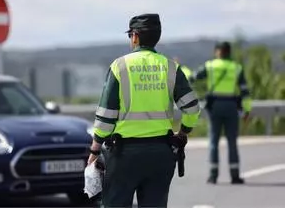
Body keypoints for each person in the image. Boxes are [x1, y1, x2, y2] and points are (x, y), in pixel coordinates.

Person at [87, 13, 201, 207]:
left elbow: (106, 118)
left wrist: (95, 149)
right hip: (160, 154)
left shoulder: (120, 66)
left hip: (123, 156)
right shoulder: (170, 67)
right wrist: (183, 133)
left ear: (135, 36)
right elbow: (192, 108)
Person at [189, 41, 252, 184]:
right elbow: (245, 91)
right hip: (231, 106)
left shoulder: (210, 66)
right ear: (229, 52)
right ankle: (235, 175)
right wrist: (247, 110)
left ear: (217, 52)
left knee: (213, 141)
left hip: (215, 106)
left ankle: (213, 175)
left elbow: (193, 77)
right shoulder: (237, 68)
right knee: (232, 142)